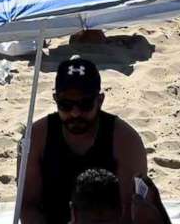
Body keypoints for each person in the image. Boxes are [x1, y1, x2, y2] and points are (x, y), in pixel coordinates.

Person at [20, 57, 157, 224]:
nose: (75, 113)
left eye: (85, 104)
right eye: (66, 104)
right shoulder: (36, 137)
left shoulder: (125, 140)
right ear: (55, 99)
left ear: (99, 101)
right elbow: (28, 205)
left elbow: (130, 210)